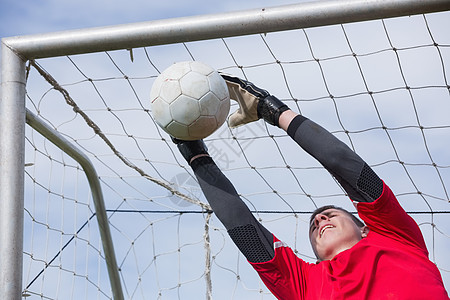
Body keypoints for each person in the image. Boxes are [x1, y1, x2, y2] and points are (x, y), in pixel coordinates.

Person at [172, 75, 449, 299]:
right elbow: (244, 229)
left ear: (364, 227)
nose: (319, 219)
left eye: (330, 215)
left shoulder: (394, 236)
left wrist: (272, 110)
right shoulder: (304, 284)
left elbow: (343, 163)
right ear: (315, 254)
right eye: (314, 224)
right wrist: (195, 153)